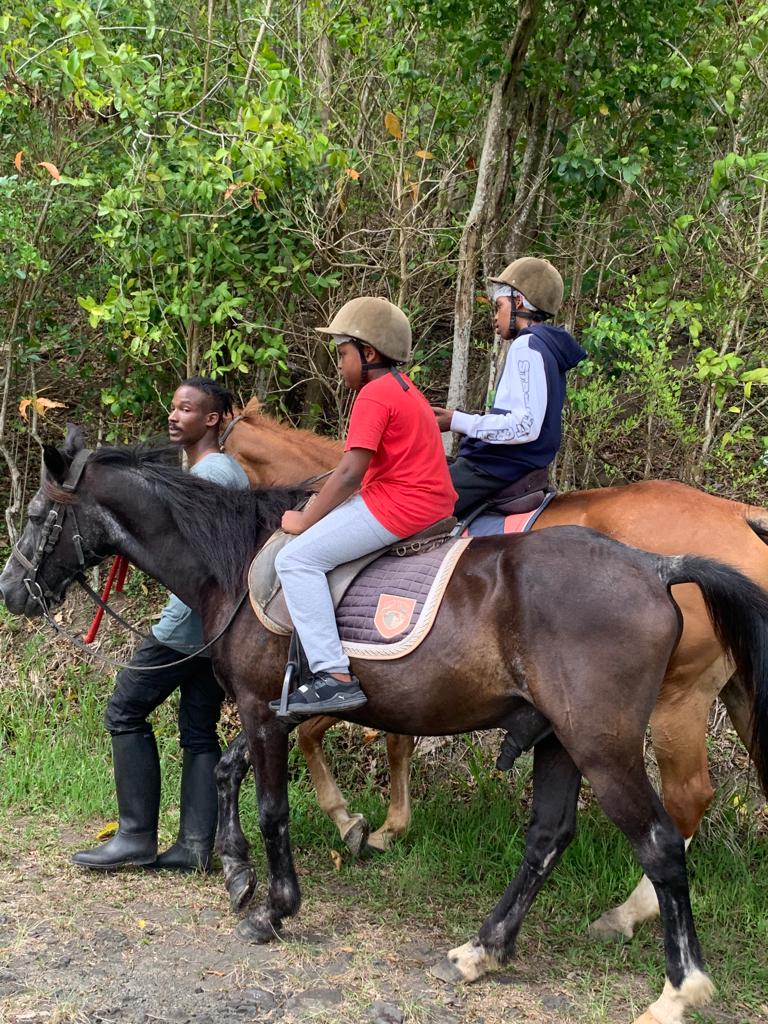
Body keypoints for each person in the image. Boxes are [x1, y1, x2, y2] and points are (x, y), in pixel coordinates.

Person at [72, 377, 250, 872]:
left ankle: (134, 837)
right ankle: (194, 848)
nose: (174, 416)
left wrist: (169, 626)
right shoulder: (224, 470)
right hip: (216, 631)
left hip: (189, 627)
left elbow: (196, 567)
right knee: (198, 729)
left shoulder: (211, 474)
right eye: (172, 407)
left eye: (187, 409)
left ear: (211, 420)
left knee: (124, 710)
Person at [269, 297, 457, 718]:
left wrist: (305, 518)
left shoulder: (373, 395)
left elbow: (352, 471)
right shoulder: (406, 389)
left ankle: (333, 677)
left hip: (400, 505)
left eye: (342, 354)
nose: (338, 364)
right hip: (431, 501)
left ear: (368, 353)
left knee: (296, 560)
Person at [432, 256, 586, 517]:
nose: (495, 317)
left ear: (518, 302)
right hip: (516, 463)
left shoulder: (527, 346)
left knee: (413, 504)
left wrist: (457, 421)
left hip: (497, 466)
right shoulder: (547, 346)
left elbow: (525, 426)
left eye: (498, 306)